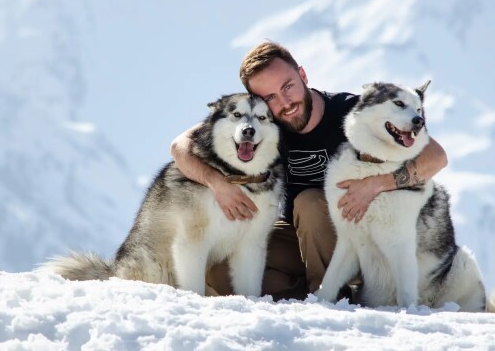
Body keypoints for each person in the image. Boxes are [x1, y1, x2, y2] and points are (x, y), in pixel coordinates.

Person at [170, 41, 448, 300]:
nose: (285, 102)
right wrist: (218, 184)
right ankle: (323, 299)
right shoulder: (267, 124)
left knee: (310, 202)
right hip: (300, 237)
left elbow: (436, 157)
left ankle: (332, 302)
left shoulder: (351, 111)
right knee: (221, 273)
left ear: (303, 74)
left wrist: (377, 184)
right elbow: (180, 146)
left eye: (288, 86)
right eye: (270, 97)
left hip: (362, 236)